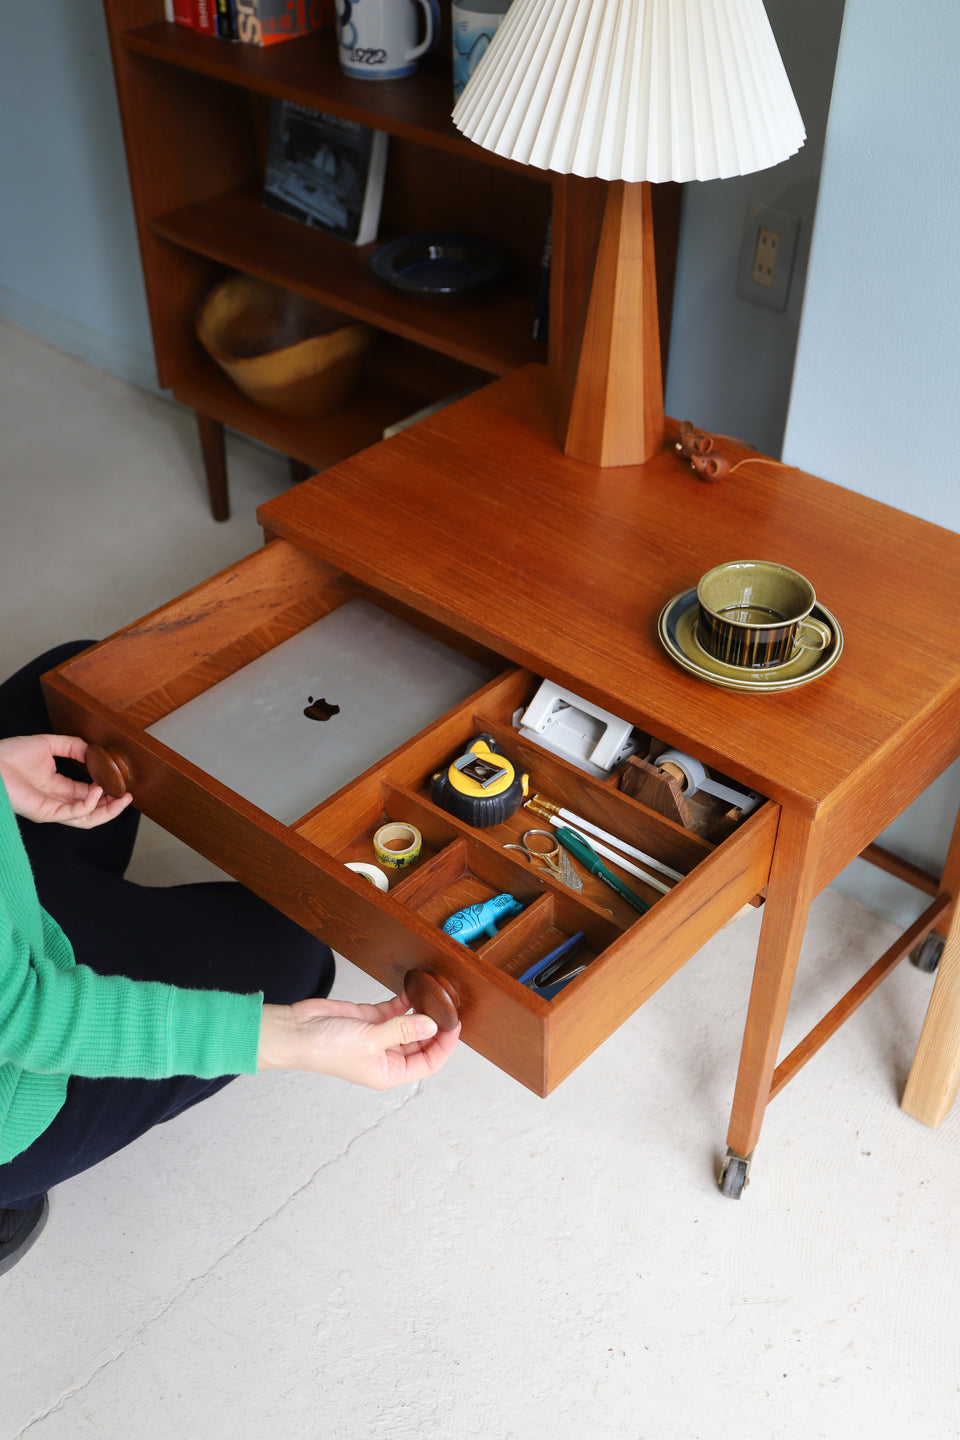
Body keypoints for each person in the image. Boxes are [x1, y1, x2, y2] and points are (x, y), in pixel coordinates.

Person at [0, 643, 459, 1277]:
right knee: (291, 956)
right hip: (17, 1052)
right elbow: (26, 1016)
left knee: (93, 687)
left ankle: (68, 886)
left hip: (14, 923)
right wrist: (293, 1036)